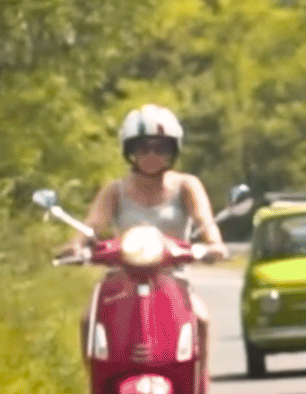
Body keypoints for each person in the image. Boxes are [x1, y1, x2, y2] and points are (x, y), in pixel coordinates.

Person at [66, 104, 228, 352]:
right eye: (143, 148)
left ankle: (197, 383)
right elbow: (93, 225)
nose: (152, 155)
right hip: (123, 278)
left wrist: (214, 245)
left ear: (173, 151)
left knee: (201, 319)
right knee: (89, 320)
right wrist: (77, 245)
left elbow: (204, 219)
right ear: (130, 151)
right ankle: (98, 382)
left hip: (174, 278)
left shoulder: (186, 185)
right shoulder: (115, 190)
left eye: (161, 148)